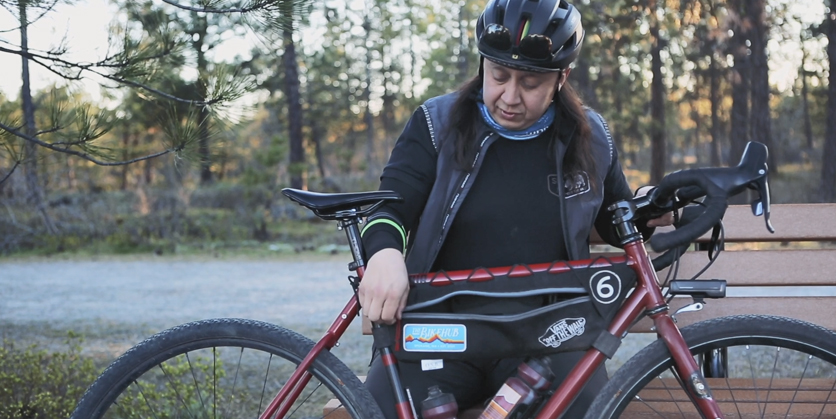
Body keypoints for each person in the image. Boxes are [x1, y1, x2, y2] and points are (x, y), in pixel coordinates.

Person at [358, 0, 673, 417]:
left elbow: (615, 222)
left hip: (550, 332)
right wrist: (383, 254)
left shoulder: (590, 137)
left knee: (591, 407)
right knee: (380, 409)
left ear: (562, 78)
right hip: (442, 331)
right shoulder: (437, 123)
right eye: (499, 76)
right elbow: (389, 208)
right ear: (483, 65)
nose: (509, 96)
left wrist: (653, 204)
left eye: (530, 83)